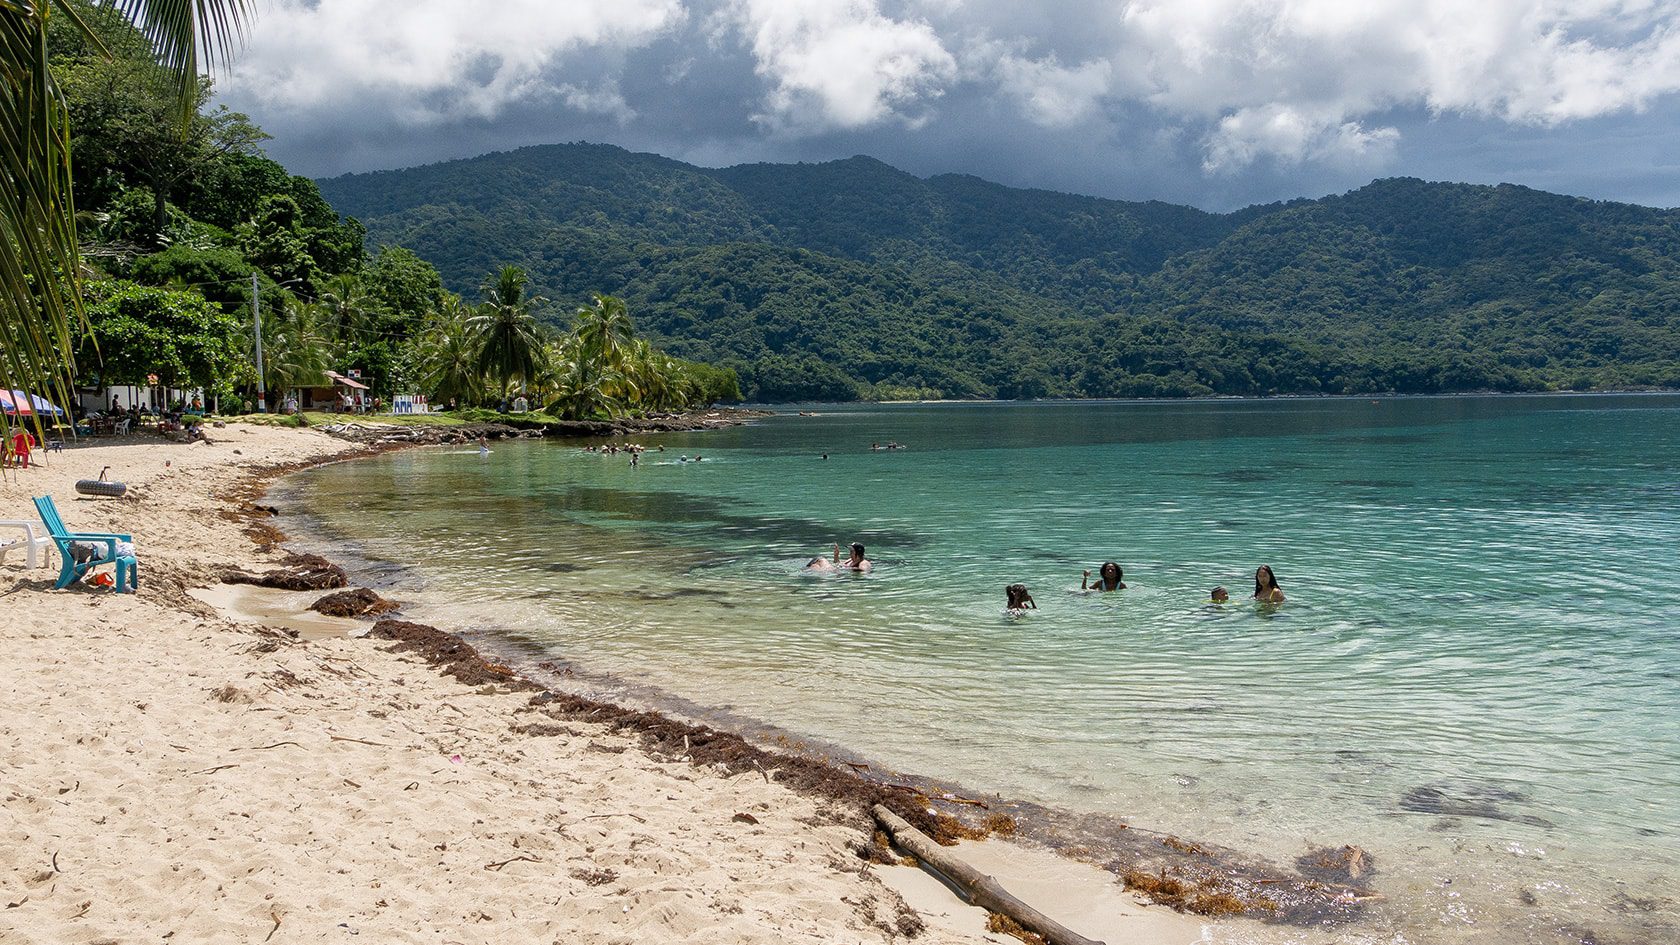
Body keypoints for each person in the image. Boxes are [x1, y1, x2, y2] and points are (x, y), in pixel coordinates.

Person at [806, 542, 871, 572]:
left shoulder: (863, 563)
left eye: (852, 551)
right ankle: (808, 571)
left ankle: (807, 571)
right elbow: (837, 563)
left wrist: (845, 568)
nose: (850, 553)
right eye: (850, 551)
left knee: (821, 560)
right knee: (815, 565)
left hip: (833, 571)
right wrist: (836, 555)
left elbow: (863, 570)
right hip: (833, 571)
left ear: (858, 553)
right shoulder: (850, 560)